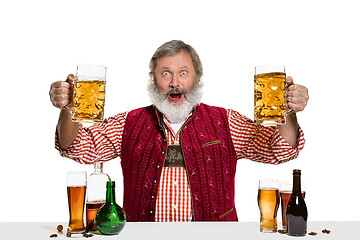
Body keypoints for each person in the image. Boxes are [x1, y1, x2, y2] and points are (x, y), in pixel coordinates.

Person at [49, 40, 309, 222]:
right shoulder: (128, 123)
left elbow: (281, 150)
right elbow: (76, 146)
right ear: (154, 79)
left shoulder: (226, 121)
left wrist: (288, 110)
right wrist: (67, 108)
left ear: (197, 77)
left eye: (183, 73)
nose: (175, 83)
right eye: (165, 73)